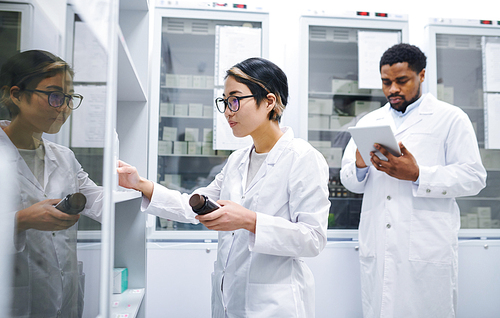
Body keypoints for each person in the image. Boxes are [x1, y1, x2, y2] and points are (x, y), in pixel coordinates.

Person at [118, 57, 330, 317]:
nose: (228, 111)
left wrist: (250, 221)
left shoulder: (302, 157)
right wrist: (139, 184)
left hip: (276, 305)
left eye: (235, 99)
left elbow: (313, 239)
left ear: (269, 102)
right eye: (225, 101)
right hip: (228, 300)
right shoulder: (237, 160)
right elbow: (192, 205)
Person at [340, 43, 487, 317]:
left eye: (401, 81)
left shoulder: (451, 118)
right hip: (379, 245)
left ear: (421, 75)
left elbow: (474, 177)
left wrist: (419, 175)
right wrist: (360, 163)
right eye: (386, 82)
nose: (392, 89)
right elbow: (350, 181)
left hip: (426, 247)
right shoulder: (370, 121)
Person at [0, 50, 103, 318]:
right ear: (17, 95)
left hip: (64, 299)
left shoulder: (64, 157)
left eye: (69, 98)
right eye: (54, 95)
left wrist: (141, 186)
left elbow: (98, 201)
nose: (64, 107)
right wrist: (20, 221)